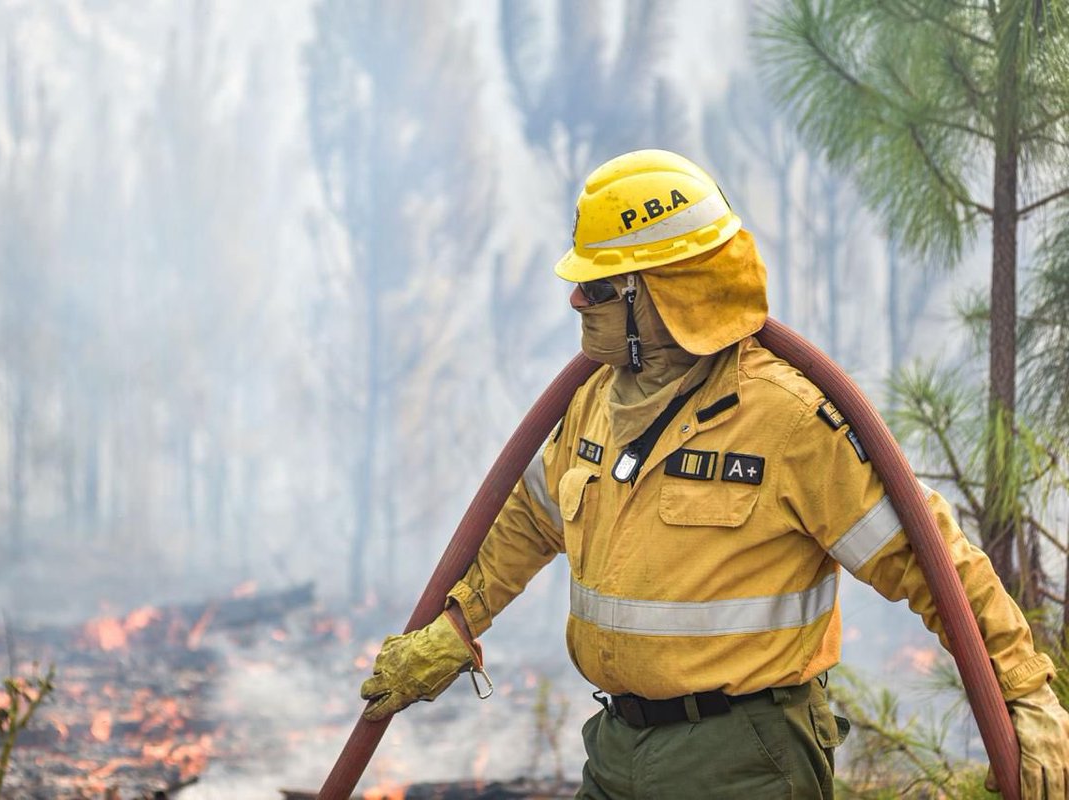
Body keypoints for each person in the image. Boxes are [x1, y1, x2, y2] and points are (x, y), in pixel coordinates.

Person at [358, 150, 1069, 799]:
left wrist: (1025, 696)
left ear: (661, 293)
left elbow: (934, 561)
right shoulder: (595, 403)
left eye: (600, 286)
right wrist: (458, 621)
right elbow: (526, 521)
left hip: (744, 761)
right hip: (615, 749)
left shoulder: (788, 422)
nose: (577, 301)